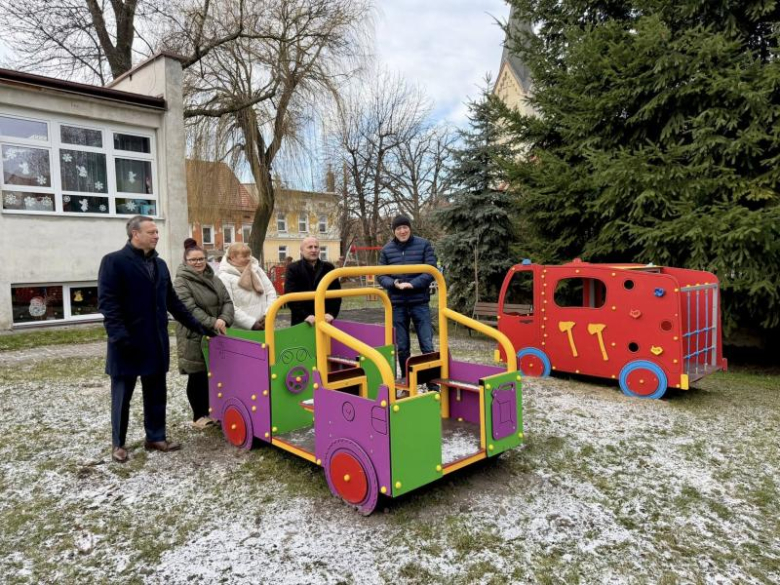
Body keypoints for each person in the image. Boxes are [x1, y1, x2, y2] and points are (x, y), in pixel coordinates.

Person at [98, 215, 207, 463]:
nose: (157, 236)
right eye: (151, 232)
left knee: (156, 393)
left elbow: (173, 303)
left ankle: (156, 437)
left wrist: (199, 327)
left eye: (157, 232)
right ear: (135, 234)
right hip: (126, 344)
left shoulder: (160, 265)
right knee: (122, 397)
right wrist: (120, 338)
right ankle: (118, 443)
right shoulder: (114, 262)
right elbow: (108, 305)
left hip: (155, 342)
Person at [174, 239, 235, 430]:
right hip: (194, 334)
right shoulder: (181, 281)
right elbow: (188, 308)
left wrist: (224, 319)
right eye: (193, 260)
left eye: (201, 259)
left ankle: (213, 410)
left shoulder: (214, 279)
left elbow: (227, 301)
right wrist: (212, 322)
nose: (198, 262)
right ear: (186, 261)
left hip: (216, 333)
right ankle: (199, 415)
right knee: (198, 375)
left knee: (216, 374)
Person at [377, 215, 438, 387]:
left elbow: (431, 270)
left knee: (427, 344)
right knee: (402, 346)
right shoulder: (387, 250)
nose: (402, 231)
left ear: (410, 228)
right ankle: (406, 382)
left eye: (405, 227)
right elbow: (380, 275)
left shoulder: (423, 244)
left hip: (419, 302)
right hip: (398, 304)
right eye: (398, 228)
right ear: (394, 231)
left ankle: (432, 383)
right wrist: (394, 283)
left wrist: (412, 284)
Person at [217, 243, 277, 330]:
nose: (249, 258)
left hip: (265, 324)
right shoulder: (224, 277)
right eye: (245, 256)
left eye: (249, 255)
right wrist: (252, 324)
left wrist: (267, 315)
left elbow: (270, 292)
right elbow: (229, 305)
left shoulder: (257, 270)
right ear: (233, 257)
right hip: (241, 329)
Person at [284, 236, 342, 326]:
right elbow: (290, 294)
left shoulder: (328, 267)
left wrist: (331, 313)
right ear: (301, 251)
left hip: (325, 319)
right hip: (302, 322)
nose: (314, 250)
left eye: (316, 247)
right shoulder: (293, 268)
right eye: (310, 247)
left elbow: (336, 293)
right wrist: (305, 315)